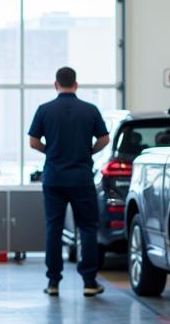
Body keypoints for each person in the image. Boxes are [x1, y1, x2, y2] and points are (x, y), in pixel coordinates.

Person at [27, 66, 110, 298]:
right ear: (76, 84)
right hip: (82, 177)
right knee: (87, 228)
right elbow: (105, 138)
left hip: (54, 178)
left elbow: (33, 141)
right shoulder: (90, 110)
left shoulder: (44, 110)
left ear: (56, 84)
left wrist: (50, 151)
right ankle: (89, 282)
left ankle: (53, 282)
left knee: (53, 228)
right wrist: (89, 152)